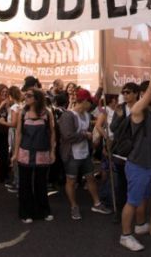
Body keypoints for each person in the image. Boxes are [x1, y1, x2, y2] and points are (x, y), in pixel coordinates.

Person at [117, 51, 151, 252]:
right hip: (137, 164)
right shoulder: (137, 110)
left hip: (149, 164)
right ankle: (125, 235)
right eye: (149, 93)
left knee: (143, 199)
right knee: (133, 200)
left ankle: (140, 226)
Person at [59, 87, 112, 220]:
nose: (91, 105)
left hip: (85, 153)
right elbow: (66, 135)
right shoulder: (68, 115)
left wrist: (100, 88)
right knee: (71, 180)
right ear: (83, 101)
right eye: (89, 102)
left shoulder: (87, 115)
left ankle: (97, 203)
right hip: (71, 154)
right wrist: (85, 136)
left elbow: (95, 104)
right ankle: (74, 206)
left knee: (90, 178)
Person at [13, 87, 56, 224]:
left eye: (29, 95)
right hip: (25, 153)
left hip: (42, 153)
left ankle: (43, 211)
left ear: (37, 98)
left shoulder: (47, 113)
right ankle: (25, 213)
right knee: (24, 184)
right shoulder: (22, 112)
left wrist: (53, 151)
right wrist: (15, 153)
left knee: (41, 184)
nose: (26, 97)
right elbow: (18, 133)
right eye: (26, 95)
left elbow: (52, 133)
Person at [4, 85, 24, 193]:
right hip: (18, 134)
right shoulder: (20, 106)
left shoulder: (14, 107)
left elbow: (14, 123)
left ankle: (17, 183)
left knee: (15, 158)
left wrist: (3, 122)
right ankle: (17, 181)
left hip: (14, 133)